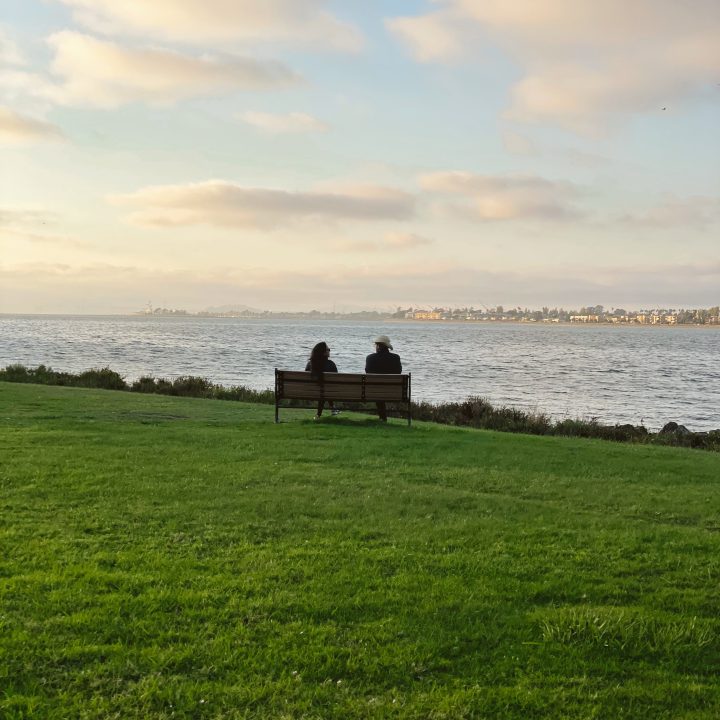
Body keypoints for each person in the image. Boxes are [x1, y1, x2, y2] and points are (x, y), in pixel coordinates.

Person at [365, 334, 402, 422]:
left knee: (378, 389)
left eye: (375, 345)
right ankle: (383, 418)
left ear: (378, 346)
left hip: (374, 391)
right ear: (387, 347)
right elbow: (399, 372)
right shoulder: (396, 358)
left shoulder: (370, 358)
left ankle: (382, 417)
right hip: (392, 391)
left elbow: (368, 372)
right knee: (381, 389)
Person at [305, 341, 339, 419]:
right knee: (324, 389)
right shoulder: (331, 364)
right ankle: (332, 408)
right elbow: (336, 380)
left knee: (322, 388)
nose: (329, 351)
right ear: (323, 353)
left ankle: (319, 415)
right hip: (327, 392)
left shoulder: (310, 364)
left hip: (311, 392)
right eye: (328, 349)